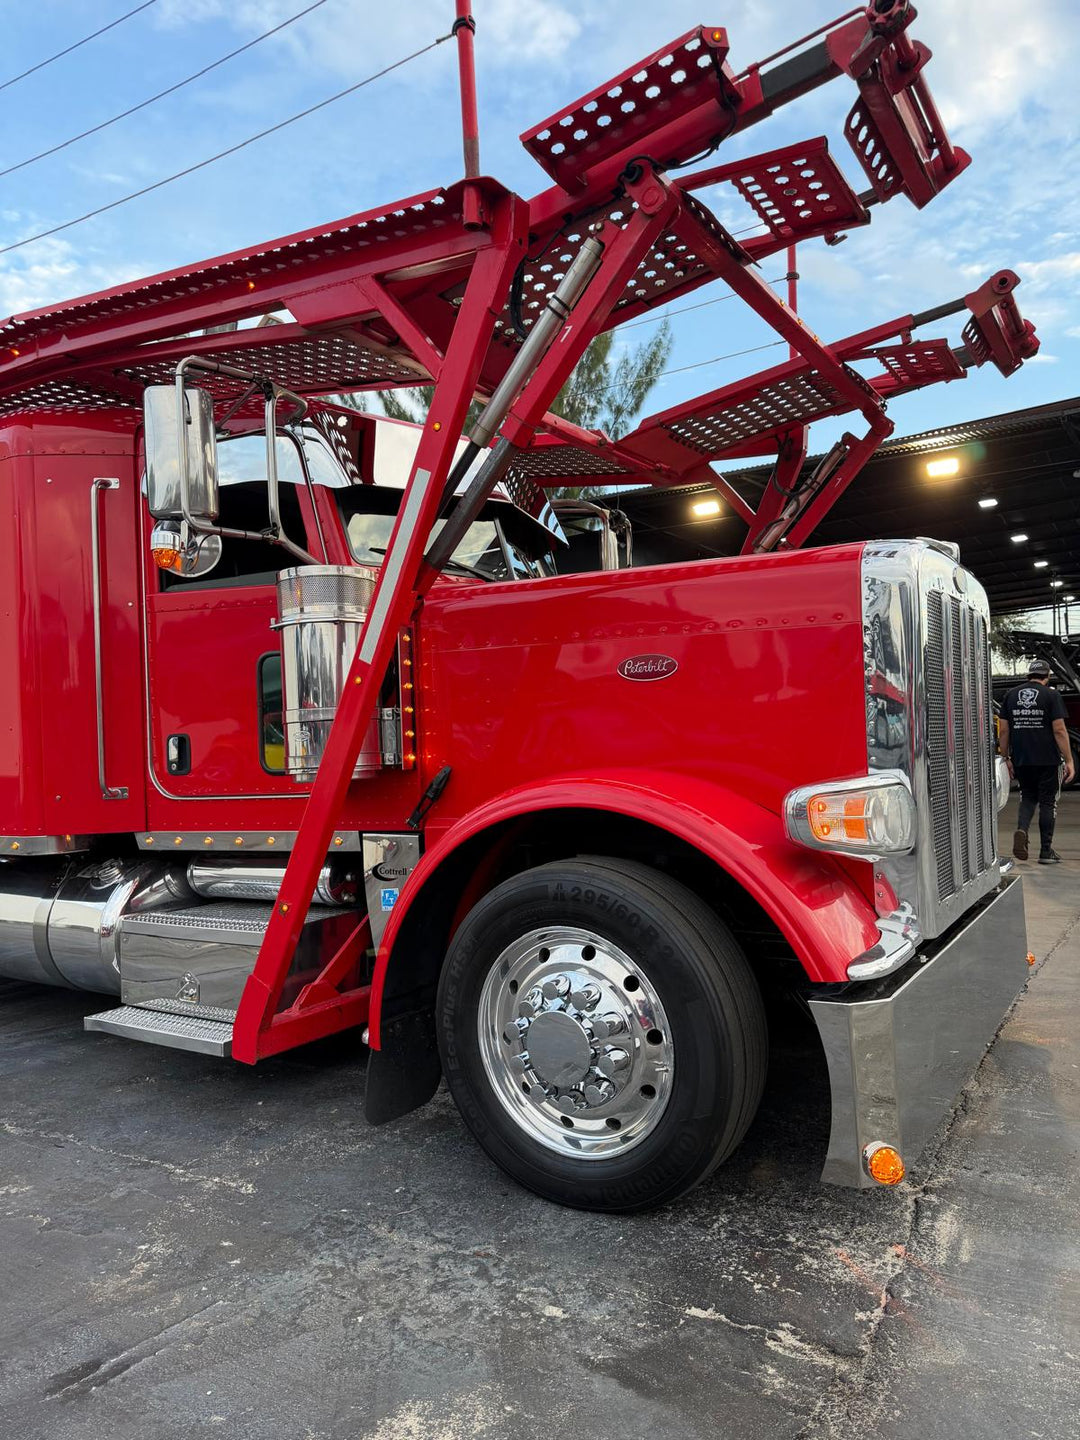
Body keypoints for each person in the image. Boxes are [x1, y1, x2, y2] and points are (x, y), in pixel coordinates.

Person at [999, 659, 1075, 865]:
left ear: (1029, 675)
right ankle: (1046, 851)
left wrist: (1006, 758)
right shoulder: (1051, 695)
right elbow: (1059, 730)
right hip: (1048, 759)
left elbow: (1004, 730)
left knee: (1028, 798)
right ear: (1047, 676)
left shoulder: (1011, 695)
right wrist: (1069, 760)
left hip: (1022, 759)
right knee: (1048, 803)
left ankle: (1022, 830)